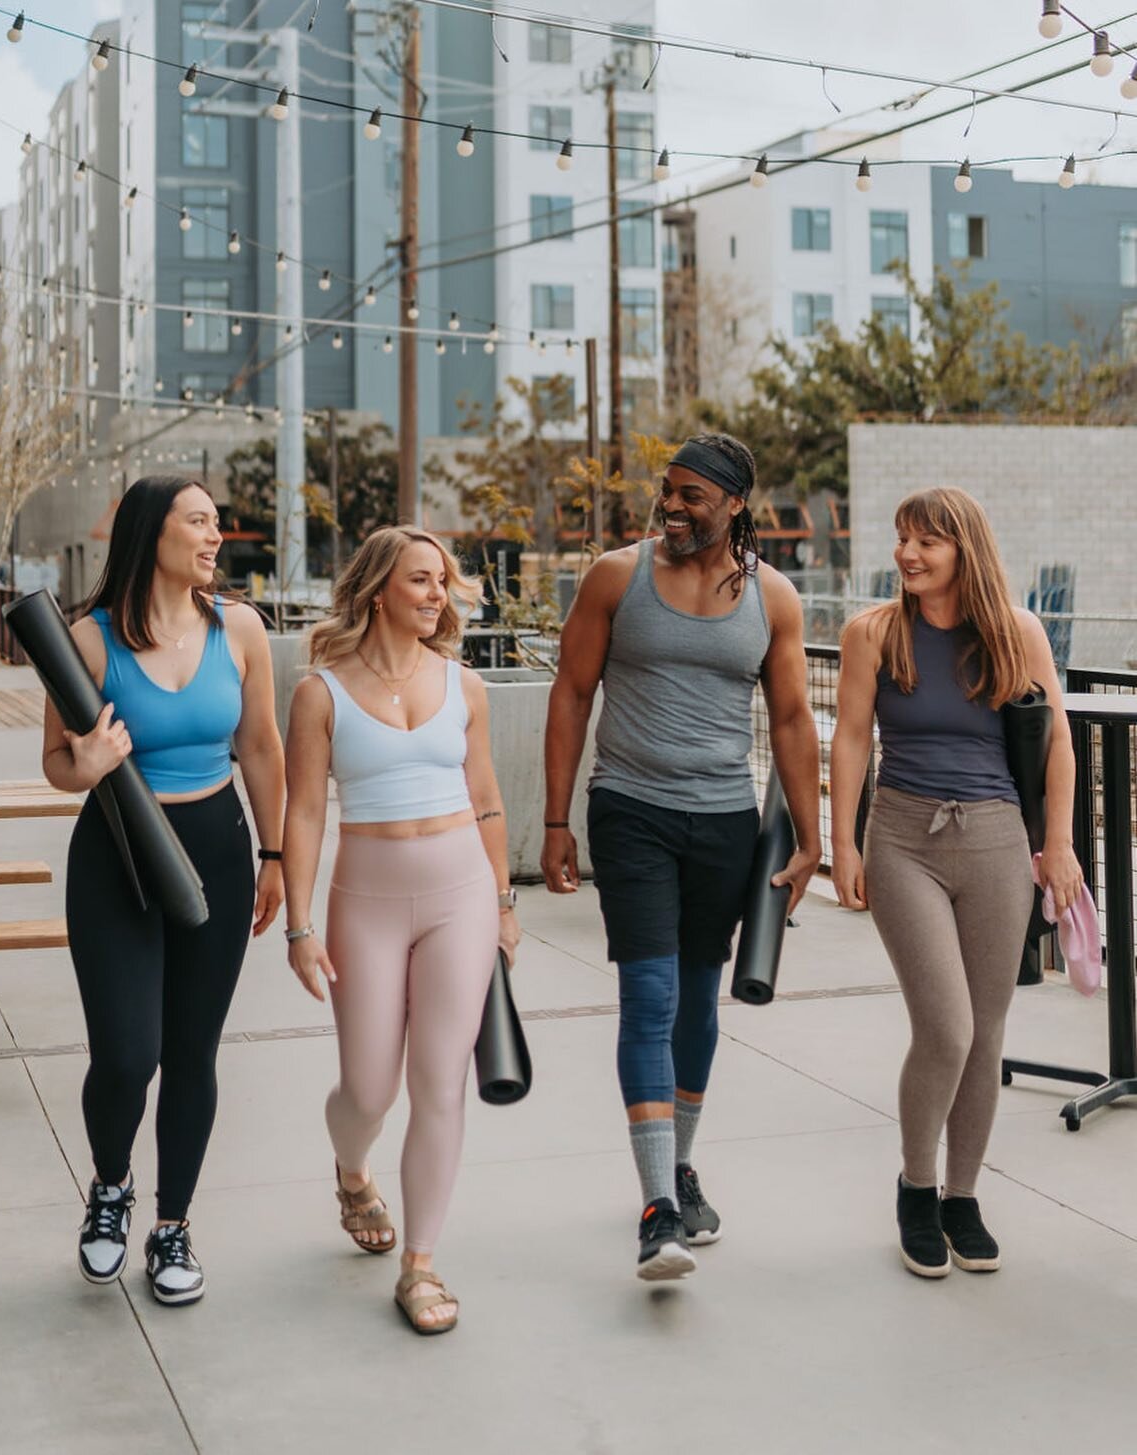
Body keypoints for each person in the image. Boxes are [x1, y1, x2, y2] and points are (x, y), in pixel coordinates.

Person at [541, 432, 821, 1281]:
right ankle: (657, 1204)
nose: (672, 505)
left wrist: (814, 838)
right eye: (668, 490)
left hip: (724, 820)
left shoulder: (771, 598)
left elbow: (791, 719)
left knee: (700, 1001)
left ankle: (679, 1168)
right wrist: (555, 820)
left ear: (735, 503)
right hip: (630, 810)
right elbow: (571, 692)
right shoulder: (614, 577)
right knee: (650, 994)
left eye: (692, 494)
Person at [42, 476, 285, 1305]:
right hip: (116, 857)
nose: (216, 536)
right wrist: (90, 763)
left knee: (190, 1054)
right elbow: (56, 764)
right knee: (125, 1053)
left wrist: (277, 855)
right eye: (200, 522)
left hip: (216, 850)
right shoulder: (88, 639)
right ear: (153, 534)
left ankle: (172, 1225)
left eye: (217, 523)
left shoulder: (243, 628)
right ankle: (111, 1189)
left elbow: (260, 750)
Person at [830, 486, 1082, 1278]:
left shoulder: (1016, 632)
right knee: (945, 1027)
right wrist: (842, 841)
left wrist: (1060, 843)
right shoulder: (872, 632)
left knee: (987, 1030)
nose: (906, 553)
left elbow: (1057, 744)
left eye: (925, 542)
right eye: (902, 537)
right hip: (903, 837)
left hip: (997, 839)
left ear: (963, 549)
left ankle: (961, 1196)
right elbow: (848, 740)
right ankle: (916, 1183)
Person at [282, 525, 521, 1336]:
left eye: (444, 582)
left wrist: (503, 903)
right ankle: (352, 1169)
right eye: (422, 580)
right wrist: (299, 925)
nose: (438, 596)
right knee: (369, 1088)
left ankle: (420, 1264)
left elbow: (485, 798)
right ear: (380, 586)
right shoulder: (320, 691)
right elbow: (306, 811)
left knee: (439, 1083)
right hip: (366, 901)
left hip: (460, 892)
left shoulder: (463, 684)